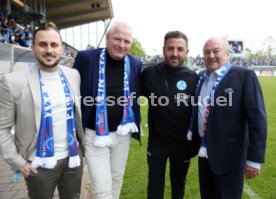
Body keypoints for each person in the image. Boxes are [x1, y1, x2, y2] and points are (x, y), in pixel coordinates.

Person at [0, 26, 84, 199]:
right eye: (43, 44)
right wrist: (17, 162)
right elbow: (2, 128)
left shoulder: (73, 75)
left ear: (62, 49)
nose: (49, 50)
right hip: (37, 164)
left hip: (73, 159)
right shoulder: (12, 81)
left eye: (54, 45)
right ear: (33, 48)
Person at [187, 36, 267, 199]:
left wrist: (254, 160)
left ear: (228, 54)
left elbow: (257, 120)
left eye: (216, 51)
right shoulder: (202, 77)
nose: (210, 56)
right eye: (206, 52)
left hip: (230, 157)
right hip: (204, 154)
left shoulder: (245, 76)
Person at [73, 21, 142, 199]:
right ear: (107, 38)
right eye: (117, 39)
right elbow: (72, 89)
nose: (121, 45)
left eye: (127, 41)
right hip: (94, 134)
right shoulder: (86, 58)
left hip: (122, 134)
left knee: (116, 179)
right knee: (102, 188)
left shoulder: (135, 63)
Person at [140, 31, 200, 199]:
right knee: (154, 185)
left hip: (182, 144)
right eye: (170, 48)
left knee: (178, 185)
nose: (175, 53)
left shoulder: (194, 77)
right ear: (163, 49)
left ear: (187, 52)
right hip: (157, 142)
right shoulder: (149, 74)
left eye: (180, 49)